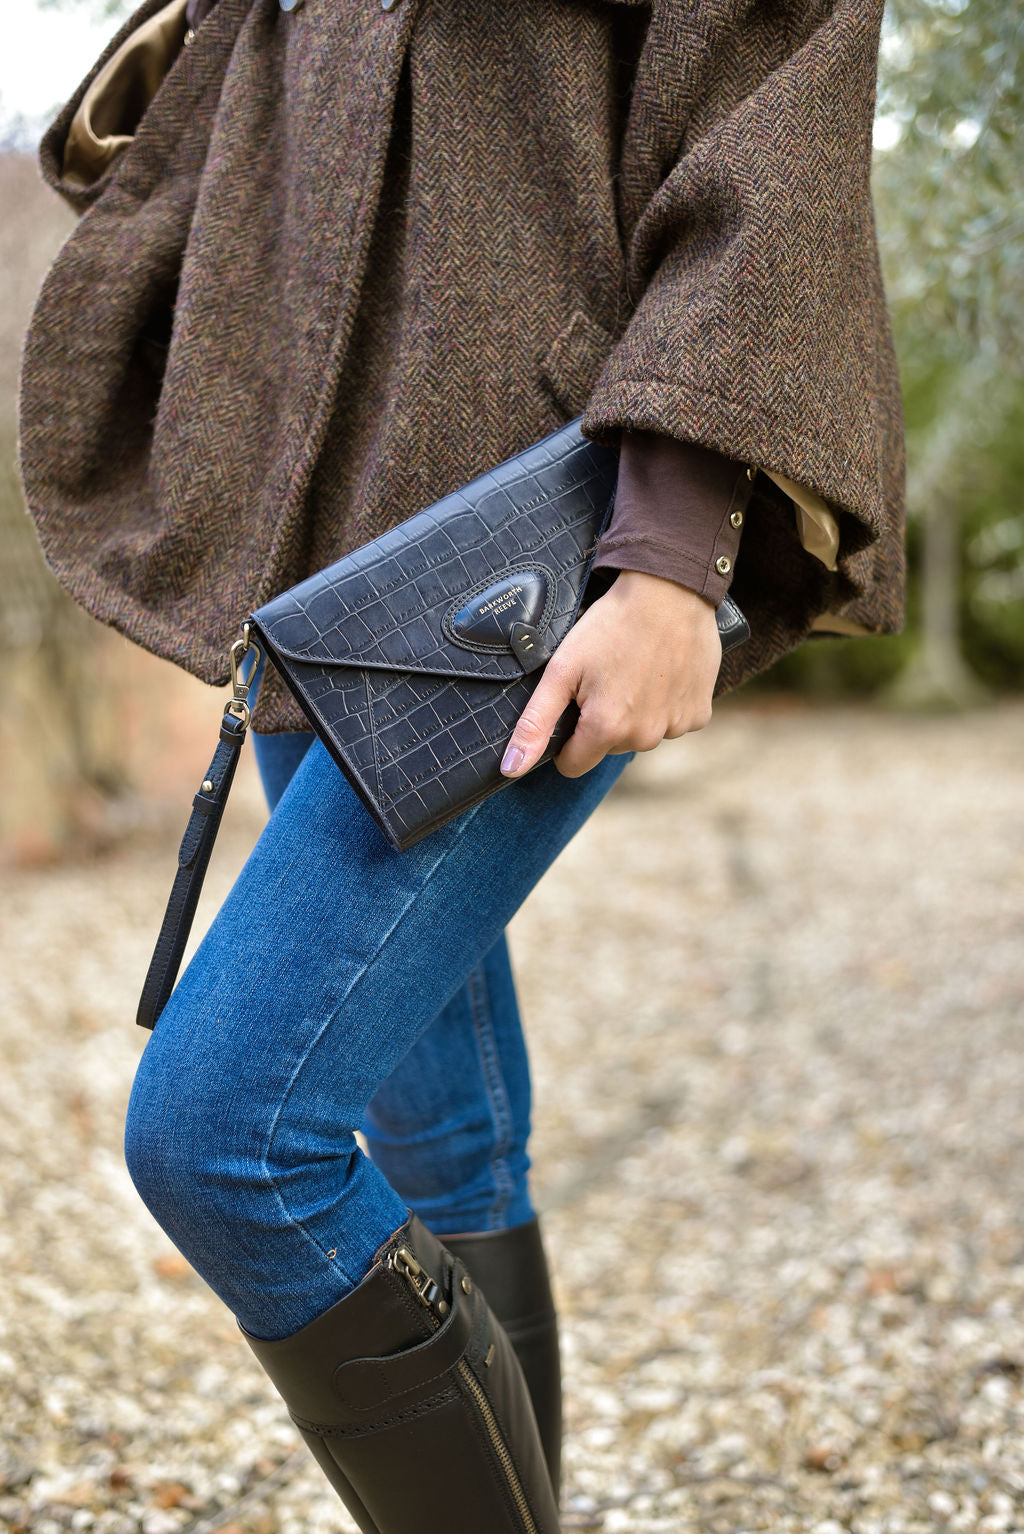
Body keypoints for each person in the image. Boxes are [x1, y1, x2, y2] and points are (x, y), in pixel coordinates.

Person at [18, 0, 905, 1528]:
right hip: (328, 532)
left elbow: (775, 87)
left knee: (226, 1136)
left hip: (537, 535)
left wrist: (675, 546)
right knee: (443, 1135)